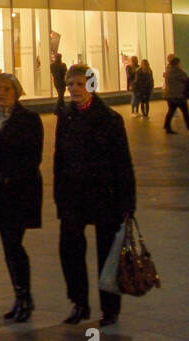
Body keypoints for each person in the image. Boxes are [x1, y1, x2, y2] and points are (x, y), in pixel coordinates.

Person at [54, 64, 136, 327]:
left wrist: (127, 203)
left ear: (91, 85)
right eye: (70, 84)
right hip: (73, 196)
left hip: (105, 196)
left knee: (107, 254)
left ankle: (109, 308)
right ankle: (79, 302)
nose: (74, 89)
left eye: (79, 84)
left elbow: (123, 163)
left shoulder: (110, 119)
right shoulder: (65, 118)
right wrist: (59, 196)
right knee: (70, 251)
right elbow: (59, 159)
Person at [0, 73, 43, 323]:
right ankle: (20, 296)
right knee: (8, 246)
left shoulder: (29, 119)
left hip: (19, 189)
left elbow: (34, 157)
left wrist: (10, 172)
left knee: (14, 244)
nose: (1, 93)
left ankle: (24, 296)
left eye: (6, 89)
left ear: (17, 91)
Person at [162, 55, 189, 135]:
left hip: (170, 95)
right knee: (185, 113)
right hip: (179, 95)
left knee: (170, 111)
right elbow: (185, 79)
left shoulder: (168, 71)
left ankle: (167, 126)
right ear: (177, 63)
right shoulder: (179, 72)